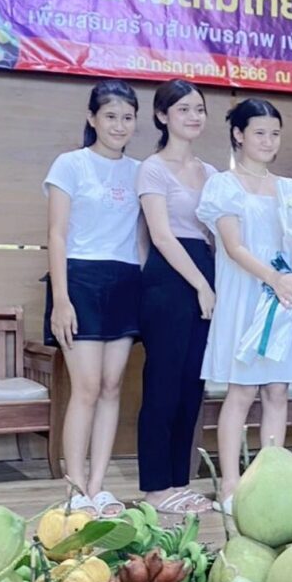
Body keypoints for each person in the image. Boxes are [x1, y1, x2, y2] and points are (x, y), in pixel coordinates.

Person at [197, 99, 292, 512]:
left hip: (284, 301)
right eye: (260, 133)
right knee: (242, 390)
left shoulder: (291, 190)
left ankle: (268, 484)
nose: (268, 141)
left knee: (278, 391)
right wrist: (274, 278)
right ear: (238, 135)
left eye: (275, 133)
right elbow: (234, 248)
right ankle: (231, 487)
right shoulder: (223, 186)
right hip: (247, 297)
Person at [43, 79, 142, 517]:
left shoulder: (140, 171)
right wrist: (62, 299)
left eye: (127, 117)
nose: (119, 125)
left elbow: (143, 237)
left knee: (111, 385)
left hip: (125, 281)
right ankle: (76, 488)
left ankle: (99, 486)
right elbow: (57, 235)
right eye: (110, 116)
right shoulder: (70, 164)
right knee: (84, 387)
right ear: (92, 118)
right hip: (80, 280)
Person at [136, 79, 217, 515]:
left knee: (191, 385)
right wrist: (201, 285)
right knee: (163, 384)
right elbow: (162, 235)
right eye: (183, 109)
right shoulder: (152, 168)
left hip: (205, 268)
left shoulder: (212, 173)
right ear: (162, 115)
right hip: (169, 279)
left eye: (199, 109)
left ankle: (179, 484)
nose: (193, 116)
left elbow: (220, 232)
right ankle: (155, 487)